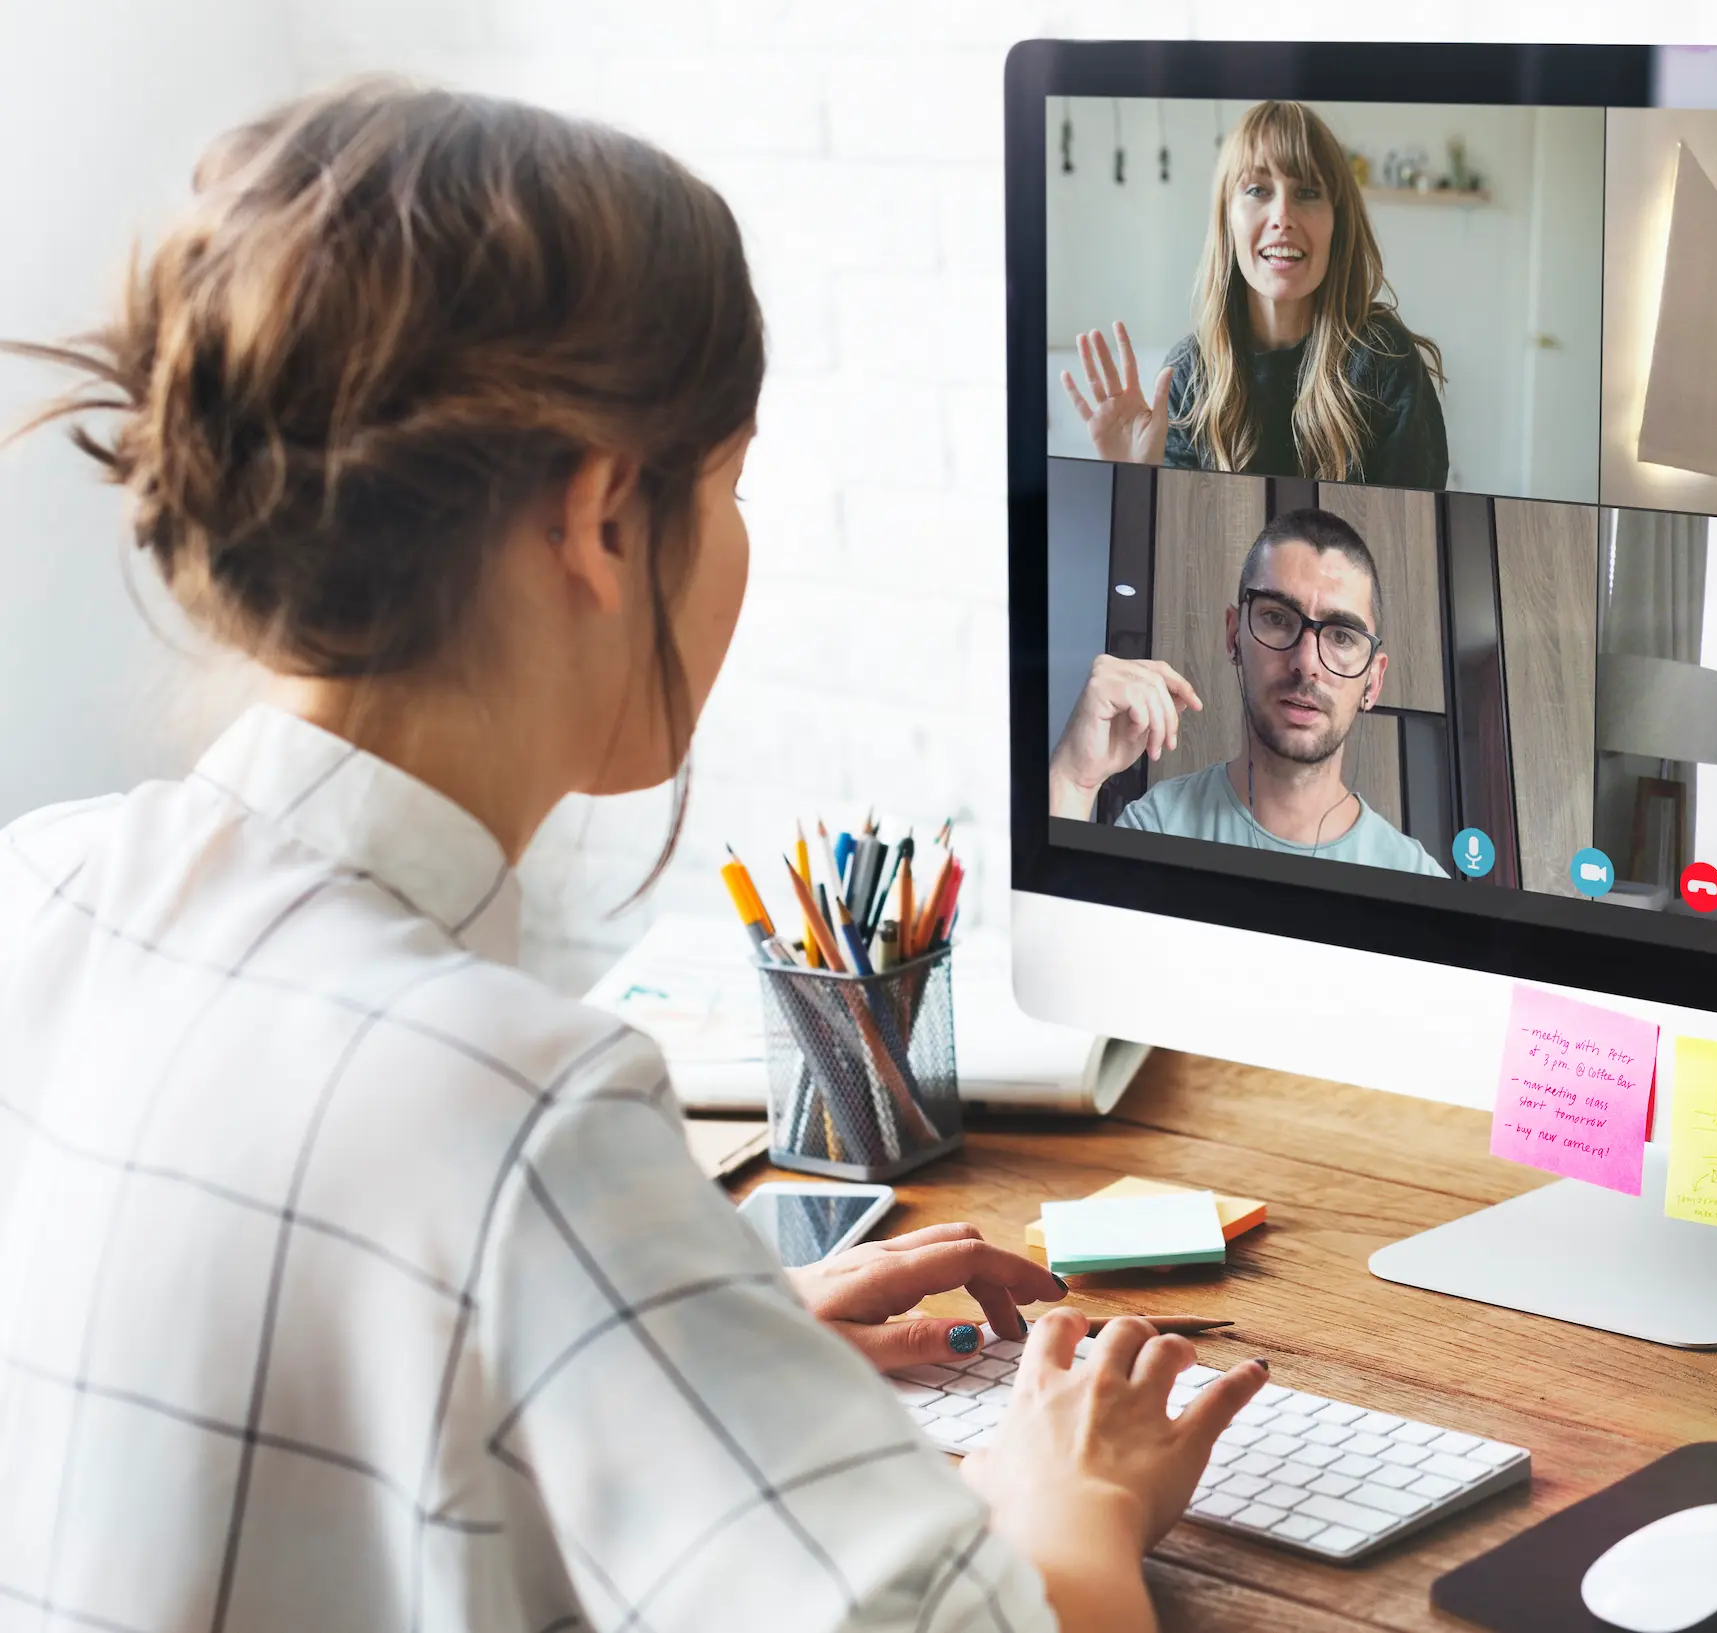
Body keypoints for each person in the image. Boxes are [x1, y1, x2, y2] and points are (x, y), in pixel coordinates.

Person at [0, 80, 1263, 1633]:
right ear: (601, 515)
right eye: (727, 486)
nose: (737, 543)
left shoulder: (36, 892)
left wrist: (680, 1336)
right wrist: (1072, 1493)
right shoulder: (517, 1111)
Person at [1060, 100, 1448, 489]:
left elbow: (1411, 539)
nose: (1282, 216)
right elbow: (1179, 545)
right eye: (1258, 189)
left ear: (1338, 222)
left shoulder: (1384, 359)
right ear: (1227, 220)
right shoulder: (1188, 375)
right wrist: (1137, 483)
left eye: (1308, 191)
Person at [1049, 508, 1446, 877]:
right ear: (1234, 635)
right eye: (1276, 618)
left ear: (1373, 682)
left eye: (1342, 636)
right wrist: (1072, 781)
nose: (1306, 662)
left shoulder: (1418, 879)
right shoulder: (1155, 826)